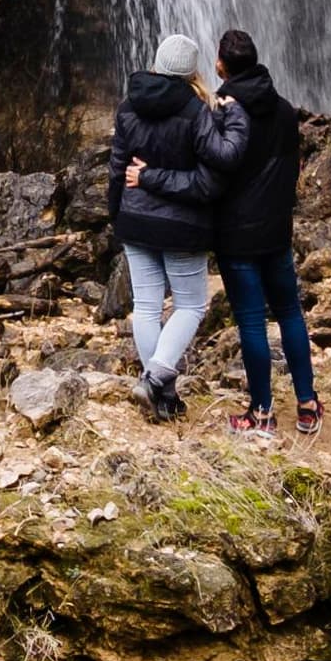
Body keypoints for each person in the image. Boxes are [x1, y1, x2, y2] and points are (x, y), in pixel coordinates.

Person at [195, 25, 317, 437]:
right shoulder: (283, 109)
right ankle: (308, 405)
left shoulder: (223, 110)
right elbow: (292, 167)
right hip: (277, 230)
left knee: (250, 321)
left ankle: (261, 414)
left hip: (237, 234)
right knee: (289, 313)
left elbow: (215, 169)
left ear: (221, 64)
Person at [105, 32, 220, 422]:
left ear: (156, 63)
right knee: (190, 305)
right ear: (191, 72)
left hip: (135, 219)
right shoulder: (197, 112)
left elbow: (117, 168)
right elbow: (207, 181)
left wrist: (116, 213)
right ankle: (155, 380)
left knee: (147, 307)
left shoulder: (127, 107)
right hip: (180, 224)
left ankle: (161, 395)